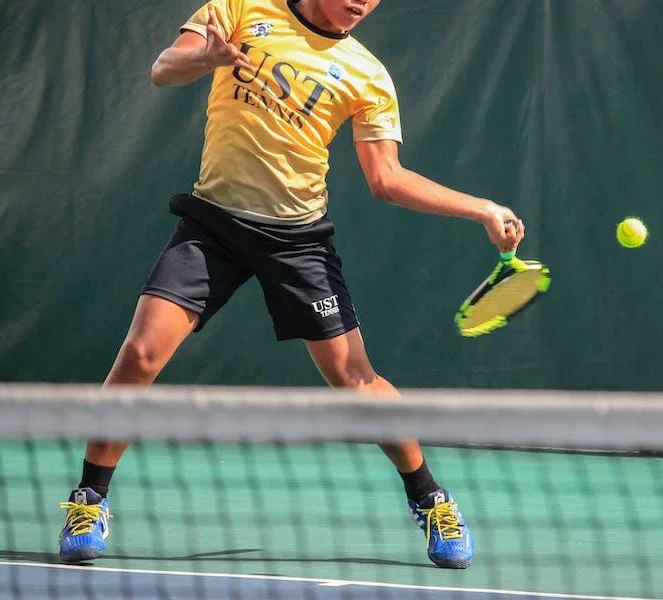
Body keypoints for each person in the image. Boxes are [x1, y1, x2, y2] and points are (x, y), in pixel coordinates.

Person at [57, 0, 525, 570]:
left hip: (298, 241)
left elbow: (387, 178)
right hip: (213, 225)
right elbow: (163, 68)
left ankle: (430, 498)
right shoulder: (237, 8)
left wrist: (482, 209)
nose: (363, 3)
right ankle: (89, 498)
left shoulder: (367, 73)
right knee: (141, 352)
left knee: (355, 378)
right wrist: (207, 55)